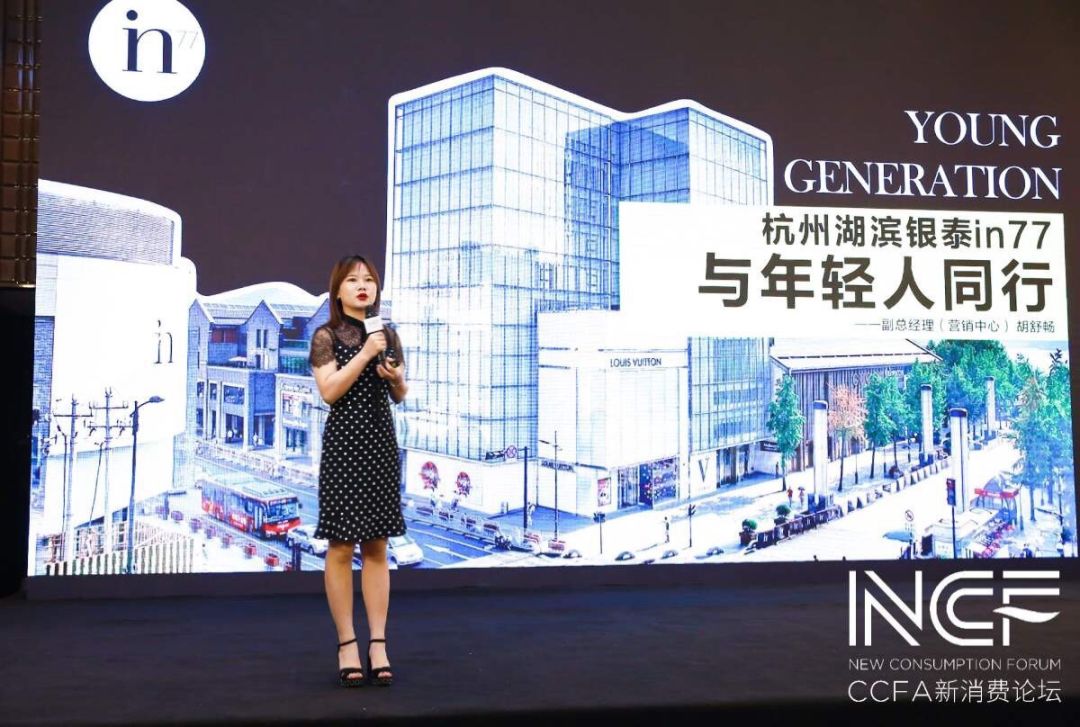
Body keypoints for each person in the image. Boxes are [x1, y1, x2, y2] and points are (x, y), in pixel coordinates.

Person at [309, 255, 408, 688]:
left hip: (380, 444)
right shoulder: (326, 336)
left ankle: (378, 643)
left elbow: (400, 393)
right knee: (340, 546)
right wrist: (366, 353)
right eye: (353, 280)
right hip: (344, 447)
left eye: (369, 279)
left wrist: (395, 377)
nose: (363, 285)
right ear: (338, 291)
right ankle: (347, 643)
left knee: (377, 546)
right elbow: (329, 391)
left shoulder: (388, 333)